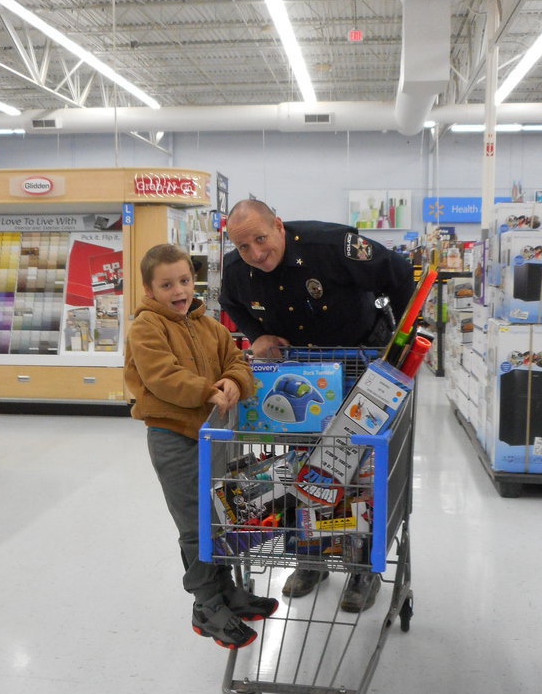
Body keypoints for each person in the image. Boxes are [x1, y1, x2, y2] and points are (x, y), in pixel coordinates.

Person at [219, 199, 416, 611]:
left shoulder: (332, 246)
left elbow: (399, 275)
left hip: (362, 370)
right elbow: (232, 304)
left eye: (261, 238)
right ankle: (311, 558)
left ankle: (364, 568)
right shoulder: (237, 271)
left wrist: (400, 342)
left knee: (361, 471)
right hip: (300, 382)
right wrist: (257, 335)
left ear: (278, 224)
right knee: (306, 471)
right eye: (244, 247)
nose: (256, 254)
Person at [124, 243, 276, 650]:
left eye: (186, 281)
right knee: (194, 525)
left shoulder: (210, 327)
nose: (179, 291)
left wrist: (234, 382)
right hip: (173, 437)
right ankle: (206, 605)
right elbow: (161, 376)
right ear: (149, 289)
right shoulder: (146, 327)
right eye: (168, 284)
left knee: (222, 517)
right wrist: (209, 391)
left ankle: (227, 591)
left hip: (216, 437)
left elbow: (238, 360)